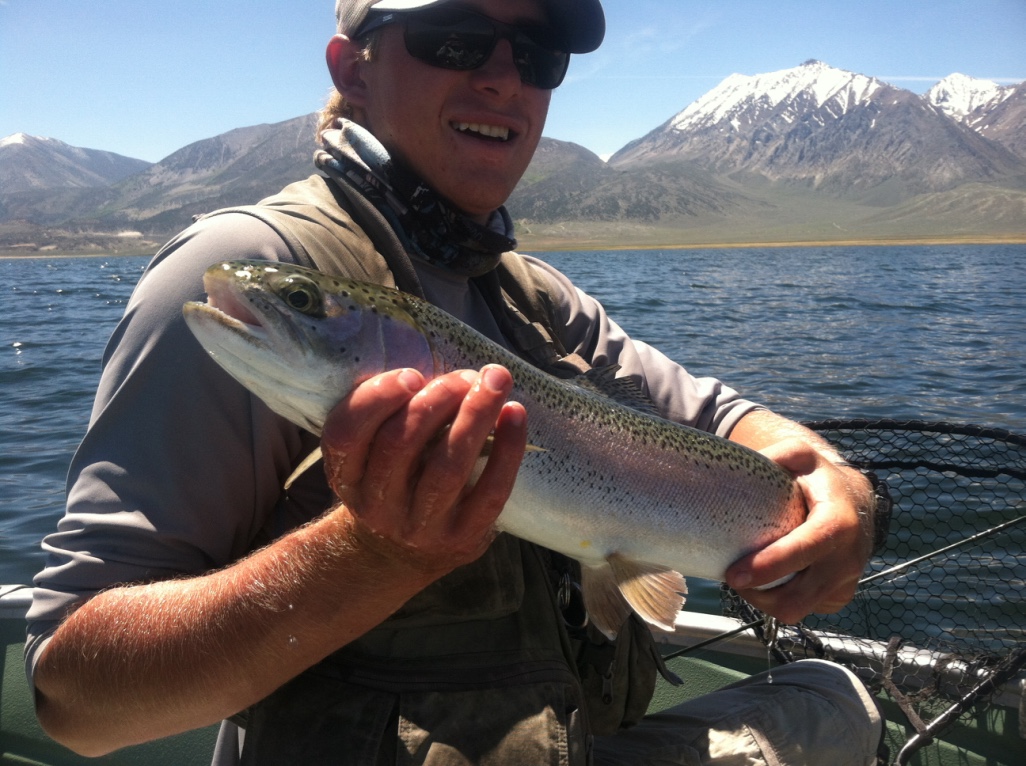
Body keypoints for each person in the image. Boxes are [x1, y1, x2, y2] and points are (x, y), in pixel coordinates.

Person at [26, 0, 884, 763]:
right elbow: (74, 701)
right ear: (349, 71)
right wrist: (368, 556)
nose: (505, 79)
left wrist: (836, 493)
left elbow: (731, 420)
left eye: (538, 56)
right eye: (455, 38)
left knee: (833, 695)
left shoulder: (535, 298)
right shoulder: (247, 270)